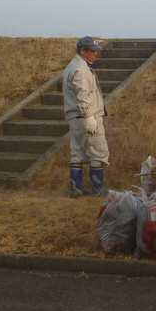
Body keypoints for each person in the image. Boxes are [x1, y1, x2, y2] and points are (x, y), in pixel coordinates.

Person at [63, 36, 111, 197]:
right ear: (83, 51)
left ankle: (76, 189)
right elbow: (82, 95)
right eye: (92, 51)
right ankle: (98, 189)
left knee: (77, 153)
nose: (95, 54)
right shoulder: (81, 69)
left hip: (75, 117)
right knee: (98, 152)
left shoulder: (74, 66)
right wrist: (89, 116)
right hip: (86, 117)